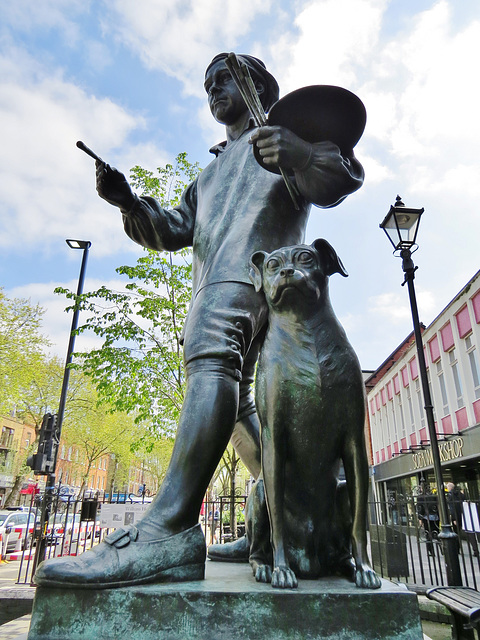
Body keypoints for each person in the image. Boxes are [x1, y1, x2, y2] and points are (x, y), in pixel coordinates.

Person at [35, 53, 364, 588]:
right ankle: (280, 518)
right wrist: (129, 203)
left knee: (213, 362)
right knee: (237, 407)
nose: (212, 90)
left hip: (259, 278)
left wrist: (300, 153)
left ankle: (169, 526)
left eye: (223, 79)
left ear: (256, 85)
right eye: (206, 84)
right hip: (214, 283)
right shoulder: (209, 174)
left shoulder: (281, 139)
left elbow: (340, 174)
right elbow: (171, 228)